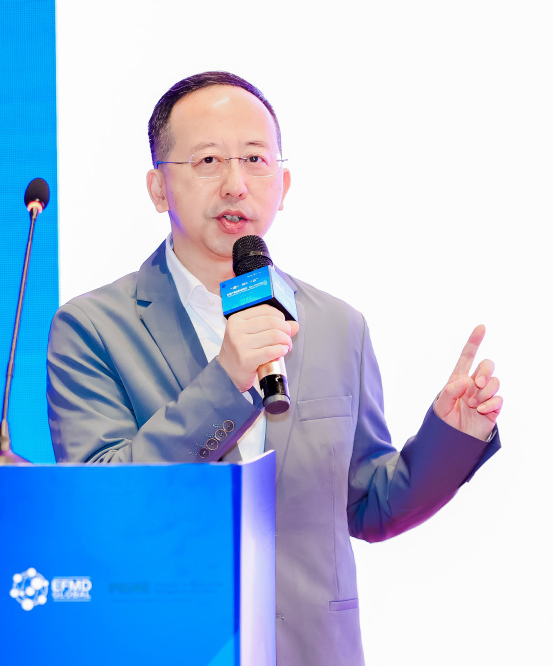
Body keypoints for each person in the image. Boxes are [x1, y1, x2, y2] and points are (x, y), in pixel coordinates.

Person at [46, 71, 501, 664]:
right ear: (159, 188)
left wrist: (453, 437)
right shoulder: (92, 327)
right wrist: (225, 381)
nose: (236, 184)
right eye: (209, 160)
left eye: (255, 160)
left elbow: (368, 505)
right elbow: (105, 506)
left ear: (283, 184)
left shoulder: (339, 326)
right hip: (167, 645)